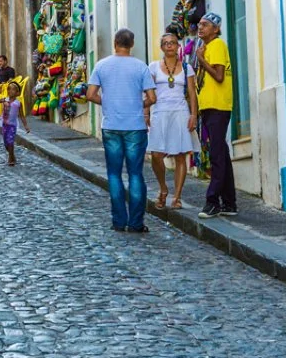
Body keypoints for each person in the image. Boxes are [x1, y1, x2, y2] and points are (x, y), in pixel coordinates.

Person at [85, 28, 158, 233]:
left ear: (115, 43)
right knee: (135, 174)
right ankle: (136, 223)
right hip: (135, 126)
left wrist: (107, 103)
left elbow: (90, 94)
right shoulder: (140, 67)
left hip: (111, 126)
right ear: (131, 44)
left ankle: (118, 221)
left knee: (114, 174)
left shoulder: (102, 65)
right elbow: (152, 98)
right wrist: (139, 105)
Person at [193, 12, 238, 220]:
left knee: (216, 155)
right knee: (221, 153)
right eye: (200, 24)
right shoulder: (207, 47)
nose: (200, 28)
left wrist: (201, 60)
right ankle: (229, 203)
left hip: (218, 106)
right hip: (209, 106)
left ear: (216, 29)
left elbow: (219, 76)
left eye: (205, 25)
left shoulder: (217, 45)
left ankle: (213, 202)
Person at [148, 31, 199, 209]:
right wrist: (146, 112)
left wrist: (194, 115)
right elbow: (147, 91)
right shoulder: (153, 67)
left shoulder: (187, 68)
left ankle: (177, 197)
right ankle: (163, 189)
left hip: (180, 113)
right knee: (156, 154)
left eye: (173, 42)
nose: (170, 45)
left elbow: (192, 93)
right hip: (160, 112)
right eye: (166, 43)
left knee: (180, 155)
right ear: (161, 47)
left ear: (178, 46)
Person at [0, 88, 27, 166]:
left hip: (12, 125)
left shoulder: (18, 103)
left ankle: (10, 159)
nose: (10, 91)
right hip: (4, 124)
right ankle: (12, 156)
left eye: (13, 89)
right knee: (6, 143)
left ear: (17, 93)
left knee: (10, 141)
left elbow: (22, 115)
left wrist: (26, 126)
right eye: (9, 89)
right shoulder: (5, 100)